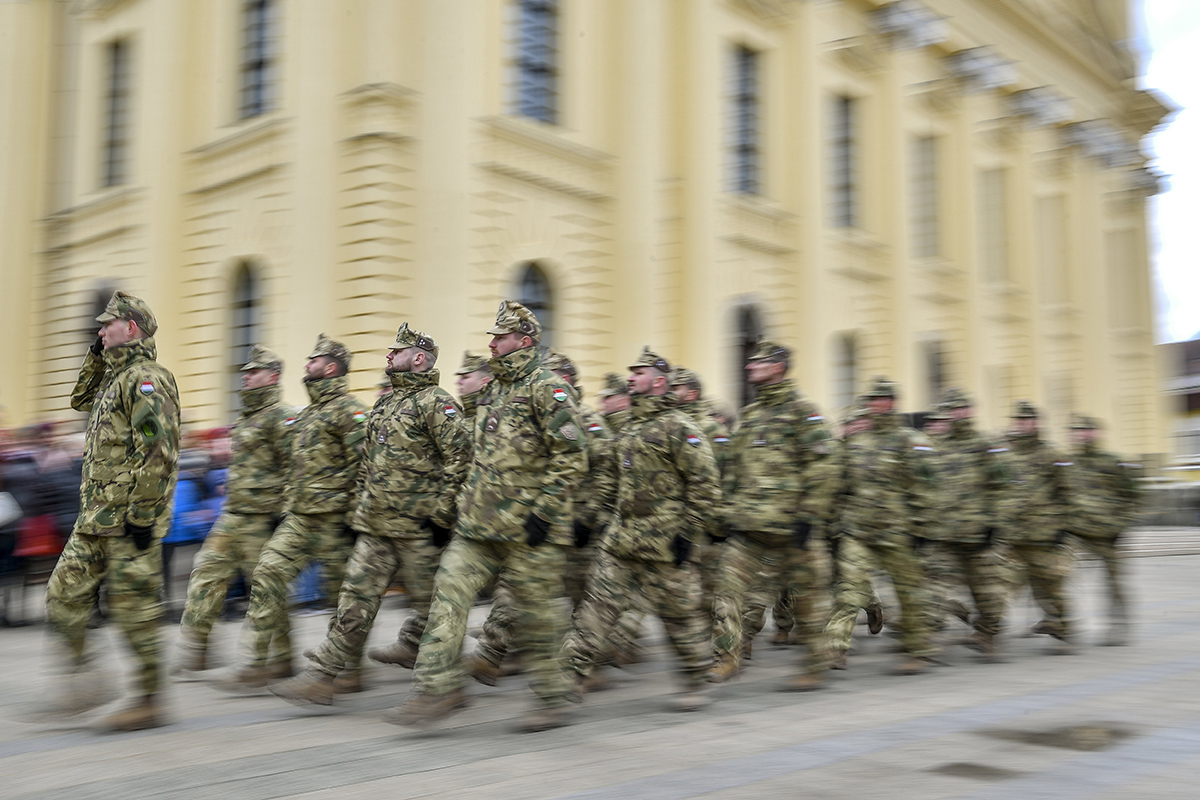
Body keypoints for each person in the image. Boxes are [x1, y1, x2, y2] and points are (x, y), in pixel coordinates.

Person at [387, 301, 587, 732]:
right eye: (493, 336)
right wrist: (453, 510)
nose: (492, 343)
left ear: (525, 341)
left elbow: (571, 458)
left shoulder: (547, 388)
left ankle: (552, 696)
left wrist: (546, 511)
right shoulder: (493, 390)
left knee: (536, 614)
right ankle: (438, 688)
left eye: (500, 336)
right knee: (447, 596)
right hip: (478, 525)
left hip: (529, 530)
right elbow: (476, 457)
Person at [270, 323, 471, 705]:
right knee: (354, 598)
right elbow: (368, 462)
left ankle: (448, 685)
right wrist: (360, 507)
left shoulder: (436, 402)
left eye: (395, 352)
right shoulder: (388, 402)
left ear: (417, 358)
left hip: (418, 528)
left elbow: (461, 460)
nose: (388, 357)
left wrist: (442, 516)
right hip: (377, 525)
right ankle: (322, 677)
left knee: (434, 608)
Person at [45, 290, 181, 730]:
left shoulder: (147, 380)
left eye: (107, 325)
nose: (100, 330)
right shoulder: (113, 380)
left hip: (128, 521)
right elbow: (78, 399)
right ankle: (87, 678)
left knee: (134, 611)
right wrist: (96, 351)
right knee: (62, 596)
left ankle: (148, 699)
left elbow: (159, 450)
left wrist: (143, 516)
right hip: (96, 519)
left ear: (133, 328)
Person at [565, 347, 720, 711]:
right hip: (621, 542)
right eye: (631, 371)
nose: (631, 376)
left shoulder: (680, 428)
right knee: (595, 610)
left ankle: (697, 678)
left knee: (679, 616)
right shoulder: (630, 428)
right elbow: (609, 480)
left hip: (666, 544)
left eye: (639, 372)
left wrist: (689, 532)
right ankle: (564, 681)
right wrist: (590, 518)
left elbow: (705, 484)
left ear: (659, 381)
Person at [216, 334, 367, 690]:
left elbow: (367, 466)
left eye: (313, 360)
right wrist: (285, 508)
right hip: (299, 518)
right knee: (266, 574)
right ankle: (259, 661)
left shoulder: (351, 411)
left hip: (335, 520)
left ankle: (351, 670)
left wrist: (356, 518)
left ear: (330, 367)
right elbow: (293, 468)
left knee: (342, 598)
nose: (306, 364)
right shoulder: (308, 414)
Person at [470, 351, 611, 686]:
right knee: (514, 589)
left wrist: (589, 519)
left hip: (579, 527)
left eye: (553, 373)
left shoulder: (589, 422)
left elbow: (605, 476)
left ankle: (589, 665)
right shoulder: (535, 416)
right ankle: (493, 655)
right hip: (543, 523)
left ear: (568, 380)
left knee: (584, 601)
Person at [708, 341, 834, 691]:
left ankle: (815, 665)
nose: (750, 368)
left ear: (777, 367)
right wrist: (725, 514)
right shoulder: (749, 415)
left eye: (757, 363)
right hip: (750, 528)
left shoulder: (802, 412)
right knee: (726, 592)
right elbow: (734, 469)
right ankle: (727, 658)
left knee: (808, 600)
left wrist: (810, 515)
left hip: (792, 526)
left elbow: (823, 465)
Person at [174, 346, 291, 673]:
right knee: (205, 573)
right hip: (233, 515)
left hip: (262, 518)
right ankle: (197, 647)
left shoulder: (282, 418)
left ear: (273, 377)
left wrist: (282, 514)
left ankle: (281, 658)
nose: (246, 375)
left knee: (266, 588)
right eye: (245, 371)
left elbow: (294, 468)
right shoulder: (243, 420)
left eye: (254, 371)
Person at [822, 378, 938, 675]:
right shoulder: (857, 442)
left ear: (892, 402)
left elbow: (925, 488)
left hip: (897, 532)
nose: (876, 404)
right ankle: (835, 648)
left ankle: (920, 650)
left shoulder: (910, 441)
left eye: (882, 399)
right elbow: (838, 484)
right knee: (848, 590)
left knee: (911, 593)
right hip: (858, 530)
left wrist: (922, 528)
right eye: (872, 399)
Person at [924, 388, 1012, 658]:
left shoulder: (986, 444)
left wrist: (994, 525)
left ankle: (986, 635)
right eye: (953, 410)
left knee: (990, 596)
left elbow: (1003, 486)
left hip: (978, 538)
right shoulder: (936, 446)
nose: (958, 414)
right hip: (944, 536)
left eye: (962, 409)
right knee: (931, 591)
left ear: (971, 411)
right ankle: (922, 644)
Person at [1004, 400, 1077, 653]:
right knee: (1004, 583)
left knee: (1051, 586)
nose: (1022, 424)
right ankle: (986, 630)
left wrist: (1063, 528)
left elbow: (1068, 492)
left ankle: (1066, 630)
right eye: (1018, 420)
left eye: (1026, 420)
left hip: (1045, 536)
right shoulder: (1006, 454)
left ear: (1036, 423)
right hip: (1014, 536)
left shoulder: (1053, 454)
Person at [1067, 415, 1140, 646]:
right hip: (1077, 533)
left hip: (1108, 536)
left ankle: (1119, 627)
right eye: (1078, 430)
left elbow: (1134, 496)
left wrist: (1121, 526)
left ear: (1097, 433)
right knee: (1054, 575)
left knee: (1114, 582)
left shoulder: (1113, 461)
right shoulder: (1067, 463)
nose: (1082, 434)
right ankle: (1062, 625)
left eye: (1087, 430)